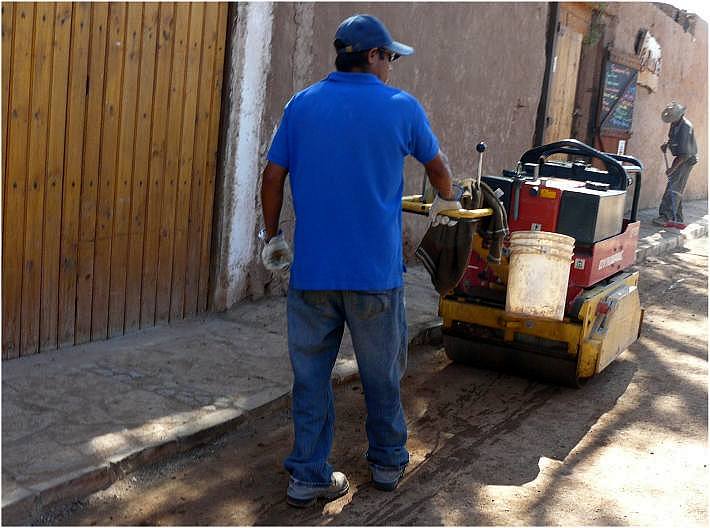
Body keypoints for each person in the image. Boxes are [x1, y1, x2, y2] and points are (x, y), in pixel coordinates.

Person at [259, 14, 461, 508]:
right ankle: (388, 462)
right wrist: (447, 199)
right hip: (375, 276)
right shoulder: (400, 107)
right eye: (389, 56)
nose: (391, 66)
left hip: (313, 275)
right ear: (372, 56)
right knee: (381, 374)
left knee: (310, 378)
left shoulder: (302, 105)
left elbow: (272, 177)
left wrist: (272, 235)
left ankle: (308, 474)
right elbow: (437, 167)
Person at [653, 101, 698, 229]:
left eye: (673, 118)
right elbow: (673, 139)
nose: (671, 121)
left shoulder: (686, 127)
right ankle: (678, 218)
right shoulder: (675, 124)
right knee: (676, 187)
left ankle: (666, 217)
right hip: (680, 157)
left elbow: (685, 154)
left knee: (674, 188)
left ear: (680, 115)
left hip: (686, 160)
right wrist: (667, 145)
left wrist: (672, 169)